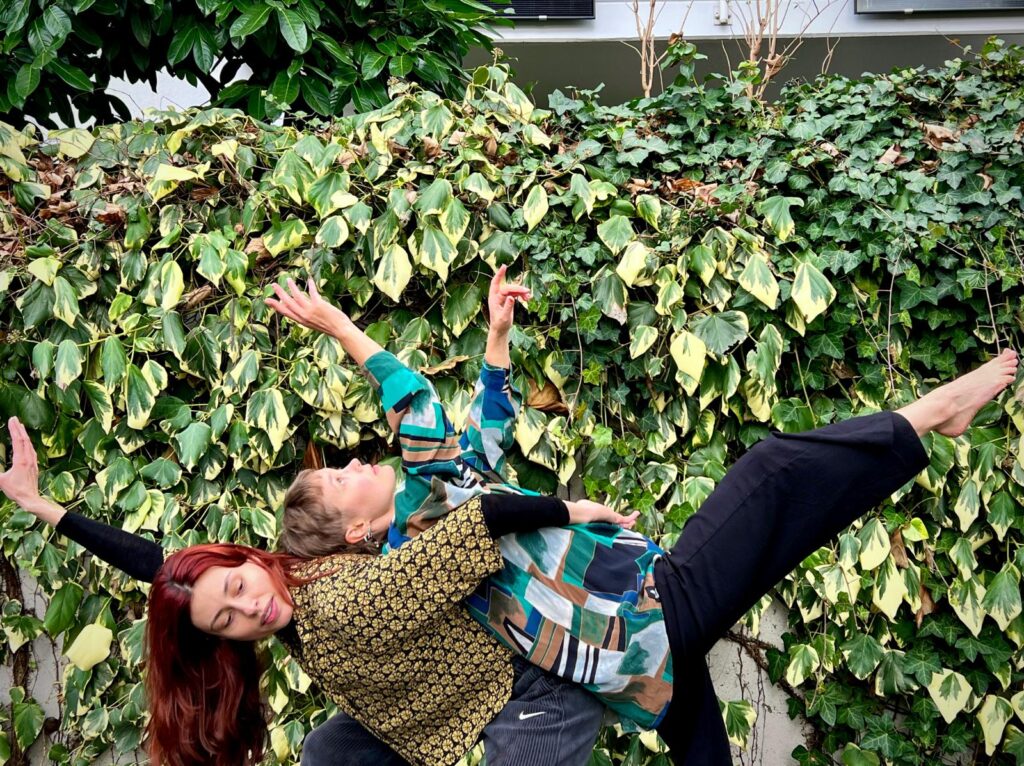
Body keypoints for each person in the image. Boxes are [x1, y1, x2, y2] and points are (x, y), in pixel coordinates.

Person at [265, 281, 1020, 762]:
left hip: (633, 654)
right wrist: (338, 325)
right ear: (357, 533)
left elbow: (481, 445)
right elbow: (417, 403)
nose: (354, 463)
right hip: (647, 611)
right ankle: (935, 412)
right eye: (339, 480)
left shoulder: (437, 512)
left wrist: (496, 339)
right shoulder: (417, 531)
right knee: (772, 471)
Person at [0, 416, 632, 766]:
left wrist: (572, 512)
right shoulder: (280, 577)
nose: (250, 608)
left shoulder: (330, 595)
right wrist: (42, 506)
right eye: (227, 620)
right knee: (329, 751)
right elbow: (157, 565)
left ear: (245, 559)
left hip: (524, 683)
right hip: (425, 704)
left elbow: (483, 518)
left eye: (238, 587)